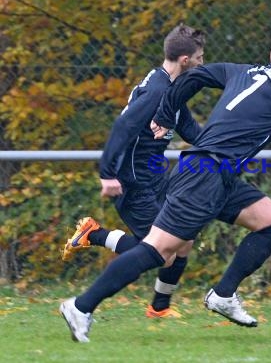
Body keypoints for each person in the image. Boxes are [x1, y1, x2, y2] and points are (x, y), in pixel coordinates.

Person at [59, 27, 271, 342]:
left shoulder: (244, 71)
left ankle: (222, 294)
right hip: (204, 176)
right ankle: (81, 307)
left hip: (216, 173)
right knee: (157, 251)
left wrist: (166, 115)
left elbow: (195, 77)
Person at [61, 24, 206, 319]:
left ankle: (159, 307)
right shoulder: (156, 90)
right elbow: (124, 127)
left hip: (155, 177)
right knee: (159, 251)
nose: (203, 64)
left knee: (185, 237)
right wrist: (108, 173)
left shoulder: (172, 88)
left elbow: (191, 129)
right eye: (200, 58)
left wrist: (227, 142)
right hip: (134, 182)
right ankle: (95, 235)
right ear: (185, 61)